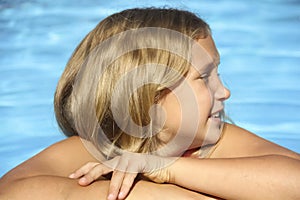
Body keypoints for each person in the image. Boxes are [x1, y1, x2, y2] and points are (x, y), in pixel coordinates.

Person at [0, 7, 299, 200]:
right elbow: (13, 191)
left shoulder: (214, 144)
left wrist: (167, 169)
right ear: (147, 97)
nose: (225, 91)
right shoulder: (89, 150)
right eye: (205, 77)